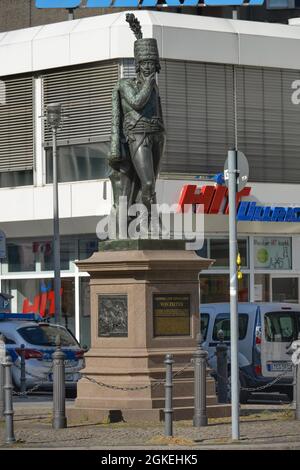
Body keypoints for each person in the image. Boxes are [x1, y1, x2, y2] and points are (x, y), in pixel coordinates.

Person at [108, 13, 165, 233]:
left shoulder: (154, 88)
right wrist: (148, 85)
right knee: (147, 183)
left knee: (150, 186)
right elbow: (136, 102)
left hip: (158, 135)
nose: (149, 67)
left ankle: (152, 225)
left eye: (152, 63)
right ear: (138, 65)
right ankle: (151, 225)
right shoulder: (126, 85)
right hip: (137, 136)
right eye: (145, 63)